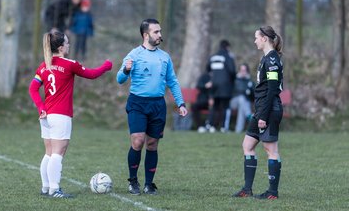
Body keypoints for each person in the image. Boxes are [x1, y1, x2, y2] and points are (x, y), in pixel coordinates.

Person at [29, 30, 113, 198]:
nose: (69, 45)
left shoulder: (44, 65)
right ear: (60, 47)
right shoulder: (69, 64)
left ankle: (46, 188)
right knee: (58, 153)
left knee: (49, 152)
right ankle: (54, 189)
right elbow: (91, 74)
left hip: (46, 116)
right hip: (60, 115)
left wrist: (40, 107)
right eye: (67, 43)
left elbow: (32, 89)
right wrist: (106, 66)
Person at [117, 18, 188, 195]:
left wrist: (181, 103)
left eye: (160, 31)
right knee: (138, 141)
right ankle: (133, 181)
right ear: (145, 34)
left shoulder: (165, 57)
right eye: (156, 32)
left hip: (157, 104)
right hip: (137, 103)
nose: (160, 35)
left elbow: (172, 81)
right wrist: (126, 70)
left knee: (152, 144)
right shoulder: (133, 54)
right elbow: (120, 79)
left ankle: (149, 184)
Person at [232, 26, 283, 199]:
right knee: (247, 145)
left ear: (264, 39)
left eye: (256, 38)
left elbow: (273, 90)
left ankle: (272, 192)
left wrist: (263, 115)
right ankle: (247, 189)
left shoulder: (273, 60)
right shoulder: (266, 58)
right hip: (261, 109)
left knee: (271, 149)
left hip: (269, 110)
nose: (254, 41)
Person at [205, 40, 236, 133]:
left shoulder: (213, 57)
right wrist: (232, 81)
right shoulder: (228, 56)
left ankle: (211, 126)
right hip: (225, 85)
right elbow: (232, 71)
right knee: (225, 106)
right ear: (227, 47)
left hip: (214, 85)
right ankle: (223, 127)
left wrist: (214, 77)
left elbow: (208, 68)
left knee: (215, 106)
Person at [224, 63, 254, 133]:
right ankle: (249, 115)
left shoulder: (250, 81)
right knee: (241, 99)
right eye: (241, 70)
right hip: (233, 102)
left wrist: (251, 88)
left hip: (244, 103)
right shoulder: (234, 80)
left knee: (242, 104)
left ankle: (238, 130)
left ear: (247, 71)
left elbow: (253, 96)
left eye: (244, 70)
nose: (243, 72)